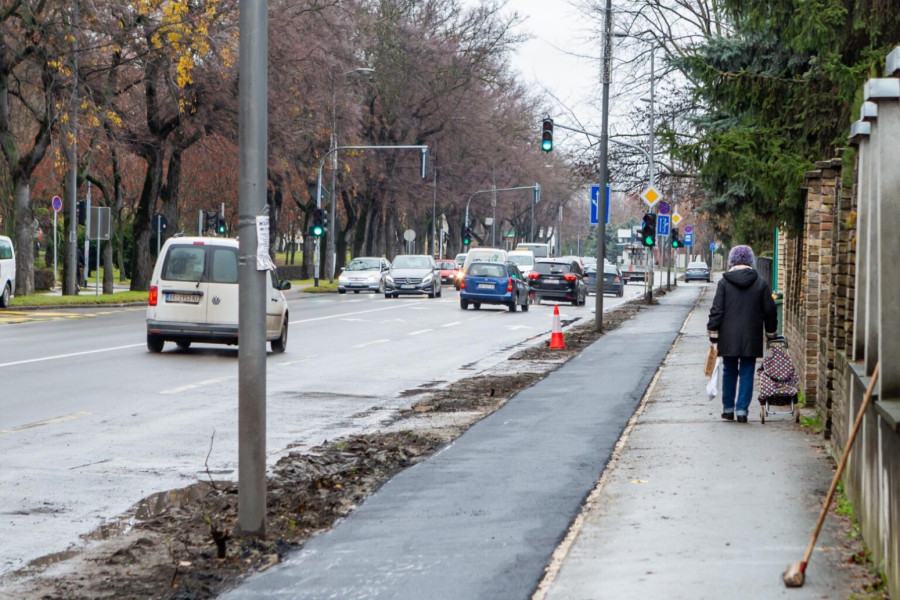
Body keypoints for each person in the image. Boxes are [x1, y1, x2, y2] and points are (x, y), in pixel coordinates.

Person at [707, 245, 778, 423]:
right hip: (751, 336)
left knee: (729, 370)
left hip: (728, 336)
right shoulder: (760, 283)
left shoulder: (724, 283)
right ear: (750, 261)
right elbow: (770, 310)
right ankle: (742, 411)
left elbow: (717, 310)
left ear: (732, 261)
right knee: (747, 371)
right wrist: (771, 332)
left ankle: (728, 409)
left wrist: (713, 331)